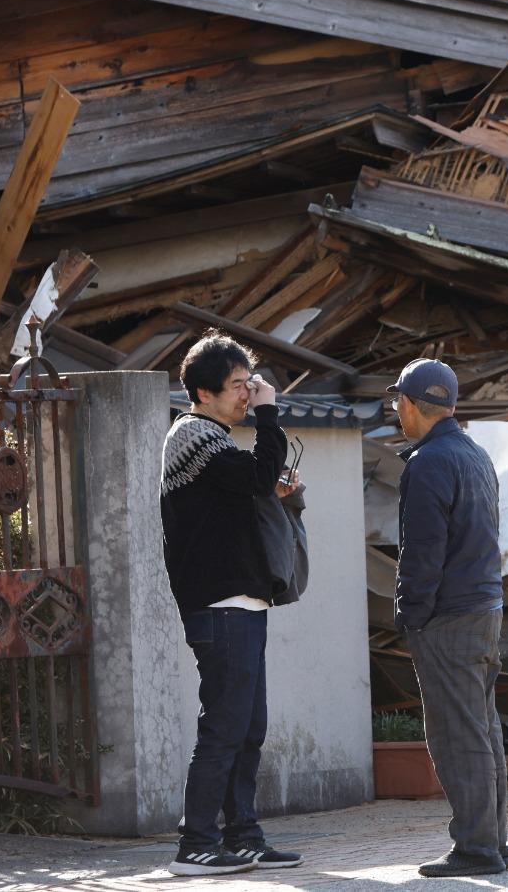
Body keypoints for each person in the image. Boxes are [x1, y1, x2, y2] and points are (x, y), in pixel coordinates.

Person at [162, 330, 303, 877]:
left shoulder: (212, 438)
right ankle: (195, 843)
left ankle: (243, 835)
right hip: (218, 607)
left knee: (249, 726)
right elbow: (254, 475)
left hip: (242, 604)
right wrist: (269, 418)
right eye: (239, 386)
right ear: (203, 392)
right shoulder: (193, 435)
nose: (249, 394)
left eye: (251, 384)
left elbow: (249, 488)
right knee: (223, 726)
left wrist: (273, 489)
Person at [390, 357, 508, 878]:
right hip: (485, 608)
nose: (397, 411)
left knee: (458, 735)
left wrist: (410, 616)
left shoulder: (429, 462)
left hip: (448, 617)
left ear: (412, 405)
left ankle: (478, 849)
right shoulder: (475, 455)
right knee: (482, 730)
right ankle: (494, 844)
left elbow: (422, 554)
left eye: (398, 401)